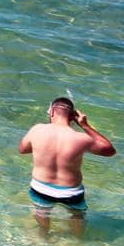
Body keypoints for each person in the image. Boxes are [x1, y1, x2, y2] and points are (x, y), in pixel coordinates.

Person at [20, 97, 115, 228]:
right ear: (72, 117)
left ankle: (44, 241)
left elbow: (23, 149)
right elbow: (109, 150)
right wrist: (85, 125)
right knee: (77, 217)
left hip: (41, 188)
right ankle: (77, 244)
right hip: (71, 192)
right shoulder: (81, 138)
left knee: (42, 214)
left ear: (52, 112)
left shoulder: (37, 129)